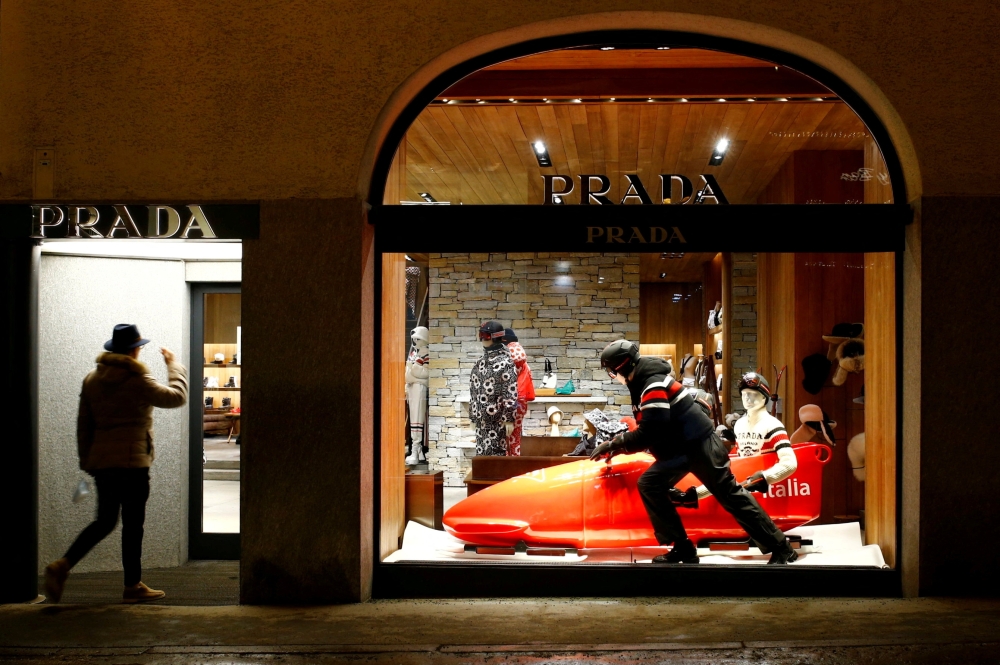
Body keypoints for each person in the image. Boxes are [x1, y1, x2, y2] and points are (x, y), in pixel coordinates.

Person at [590, 340, 798, 565]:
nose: (613, 376)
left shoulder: (651, 384)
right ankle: (682, 548)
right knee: (650, 484)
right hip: (683, 448)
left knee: (732, 497)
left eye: (612, 372)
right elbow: (653, 428)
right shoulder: (643, 380)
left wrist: (614, 444)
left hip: (700, 446)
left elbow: (651, 430)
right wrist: (620, 444)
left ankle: (783, 548)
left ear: (622, 367)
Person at [44, 324, 188, 603]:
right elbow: (176, 397)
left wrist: (87, 459)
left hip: (103, 464)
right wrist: (174, 366)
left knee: (104, 521)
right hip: (133, 464)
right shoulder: (137, 380)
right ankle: (132, 586)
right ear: (134, 350)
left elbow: (83, 425)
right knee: (133, 525)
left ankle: (63, 565)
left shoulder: (91, 380)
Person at [501, 328, 535, 456]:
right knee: (515, 438)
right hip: (521, 402)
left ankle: (505, 469)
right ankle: (514, 463)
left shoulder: (506, 356)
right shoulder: (523, 360)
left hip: (508, 404)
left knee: (503, 440)